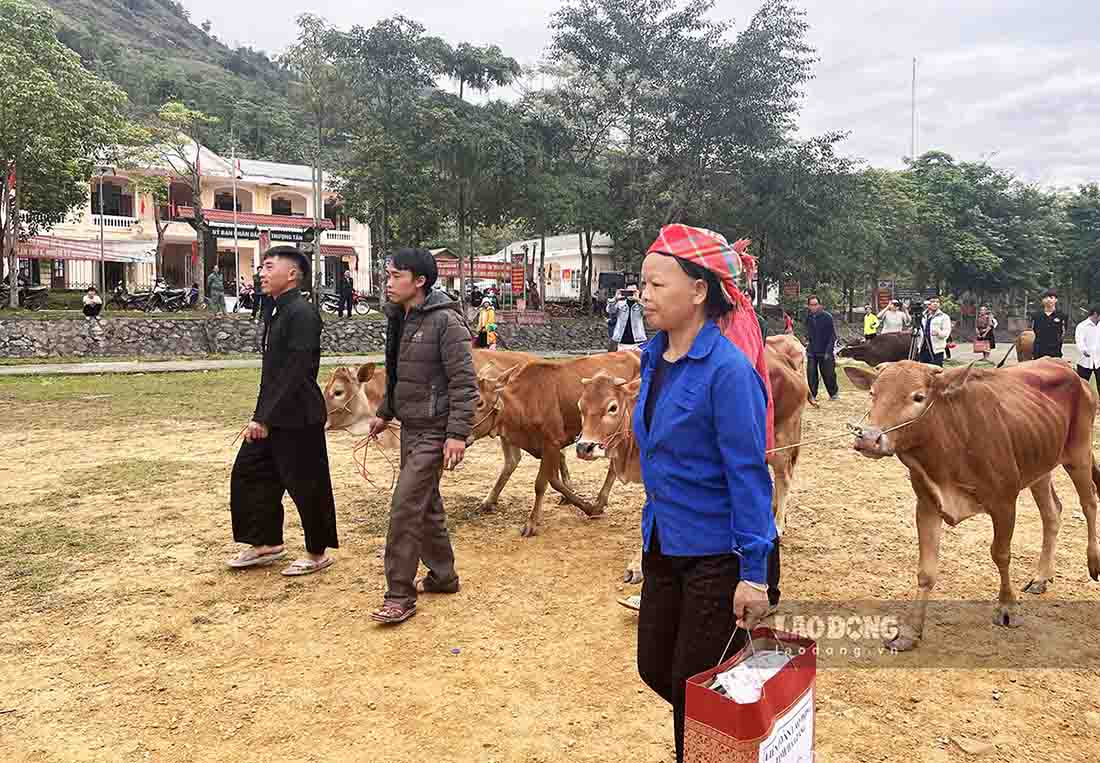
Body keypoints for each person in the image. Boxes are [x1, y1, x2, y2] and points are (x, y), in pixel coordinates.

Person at [635, 227, 775, 763]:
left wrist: (755, 572)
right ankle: (728, 737)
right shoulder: (653, 359)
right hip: (664, 545)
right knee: (656, 667)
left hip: (718, 556)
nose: (642, 294)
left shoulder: (729, 372)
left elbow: (748, 476)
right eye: (642, 283)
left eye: (655, 284)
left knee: (693, 689)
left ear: (698, 291)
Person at [365, 248, 478, 625]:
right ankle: (444, 577)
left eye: (396, 275)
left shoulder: (447, 322)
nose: (389, 281)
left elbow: (464, 383)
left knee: (405, 507)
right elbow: (397, 374)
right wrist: (385, 412)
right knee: (425, 506)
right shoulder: (400, 316)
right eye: (388, 274)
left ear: (420, 281)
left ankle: (399, 594)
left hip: (435, 430)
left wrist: (457, 435)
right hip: (410, 427)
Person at [227, 246, 338, 576]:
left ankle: (318, 554)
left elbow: (296, 371)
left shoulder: (302, 313)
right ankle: (265, 542)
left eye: (268, 266)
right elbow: (271, 373)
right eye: (261, 266)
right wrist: (260, 414)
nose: (261, 272)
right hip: (273, 414)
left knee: (307, 485)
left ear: (291, 275)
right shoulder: (275, 311)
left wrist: (265, 418)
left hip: (299, 417)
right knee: (250, 474)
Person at [805, 295, 838, 401]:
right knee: (811, 374)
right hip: (812, 351)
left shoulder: (827, 317)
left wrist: (829, 351)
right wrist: (807, 344)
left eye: (816, 304)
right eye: (811, 305)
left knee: (828, 374)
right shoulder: (808, 318)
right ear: (809, 306)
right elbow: (808, 333)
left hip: (825, 351)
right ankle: (812, 395)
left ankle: (833, 393)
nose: (814, 307)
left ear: (819, 305)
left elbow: (832, 336)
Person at [1030, 289, 1069, 359]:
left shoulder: (1062, 316)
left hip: (1055, 353)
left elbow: (1063, 333)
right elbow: (1033, 332)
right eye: (1045, 298)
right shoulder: (1035, 316)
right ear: (1042, 300)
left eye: (1051, 297)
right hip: (1038, 353)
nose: (1048, 300)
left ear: (1056, 300)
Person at [917, 296, 952, 367]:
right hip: (923, 348)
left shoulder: (944, 317)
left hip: (936, 350)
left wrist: (939, 333)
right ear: (928, 304)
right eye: (933, 302)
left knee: (936, 372)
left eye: (937, 302)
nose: (935, 303)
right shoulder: (922, 316)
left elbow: (946, 332)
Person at [609, 286, 647, 350]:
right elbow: (610, 310)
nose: (630, 294)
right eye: (629, 291)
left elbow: (647, 312)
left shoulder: (640, 304)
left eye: (633, 291)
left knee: (638, 360)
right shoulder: (620, 303)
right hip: (621, 341)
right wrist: (615, 298)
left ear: (637, 292)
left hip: (638, 341)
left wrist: (638, 300)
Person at [1075, 306, 1100, 394]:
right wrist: (1083, 350)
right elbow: (1079, 341)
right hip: (1085, 361)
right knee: (1082, 388)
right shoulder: (1082, 326)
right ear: (1096, 314)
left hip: (1098, 360)